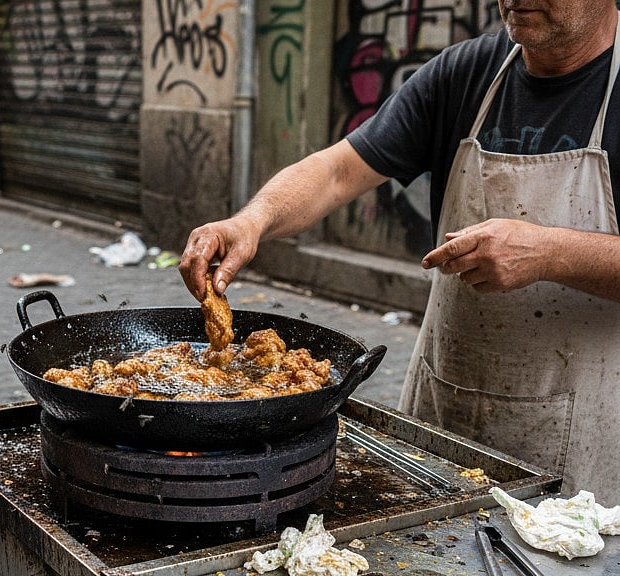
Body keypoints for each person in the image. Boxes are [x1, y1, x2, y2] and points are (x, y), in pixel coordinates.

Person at [179, 0, 620, 503]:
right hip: (449, 417)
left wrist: (551, 252)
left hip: (586, 443)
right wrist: (249, 221)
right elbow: (337, 171)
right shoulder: (465, 72)